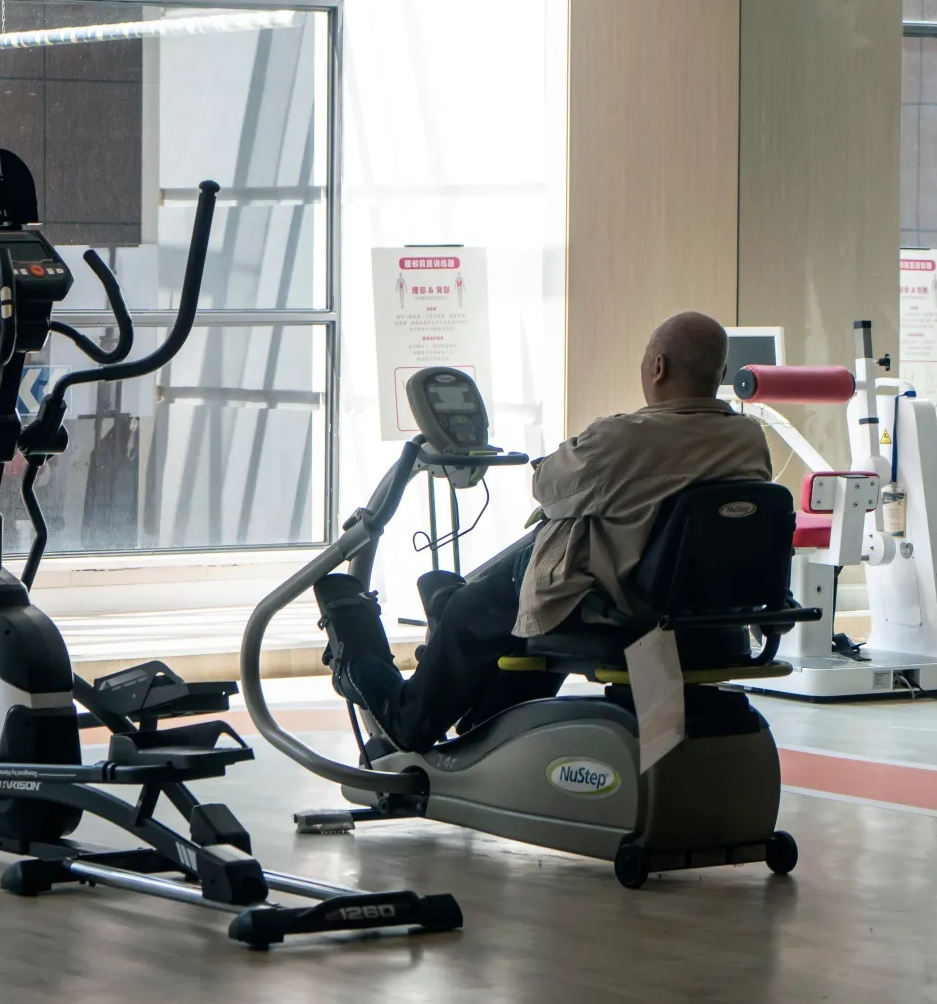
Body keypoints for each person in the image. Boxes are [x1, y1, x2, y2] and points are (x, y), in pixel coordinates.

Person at [320, 310, 773, 754]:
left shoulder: (623, 437)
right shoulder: (749, 440)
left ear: (658, 367)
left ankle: (396, 706)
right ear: (724, 372)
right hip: (705, 618)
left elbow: (547, 485)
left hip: (616, 608)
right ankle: (480, 706)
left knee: (477, 608)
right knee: (495, 609)